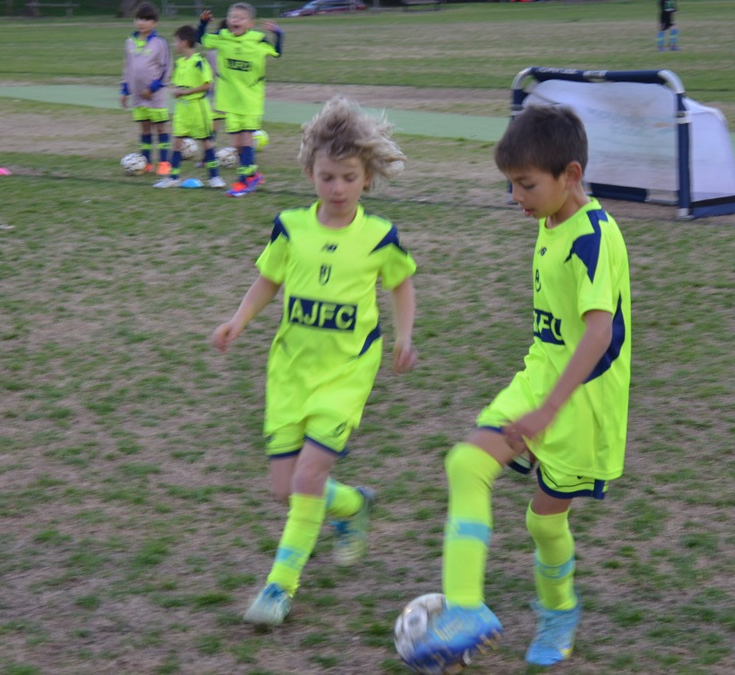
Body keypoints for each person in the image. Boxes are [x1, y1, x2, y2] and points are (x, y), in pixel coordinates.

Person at [403, 104, 632, 670]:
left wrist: (548, 412)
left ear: (570, 176)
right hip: (538, 378)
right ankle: (466, 609)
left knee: (544, 520)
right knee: (465, 464)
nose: (516, 198)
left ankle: (559, 611)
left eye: (526, 185)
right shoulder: (550, 221)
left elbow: (599, 334)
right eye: (510, 185)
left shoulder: (594, 238)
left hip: (581, 404)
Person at [210, 96, 418, 626]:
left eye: (349, 177)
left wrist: (403, 334)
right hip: (290, 372)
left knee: (306, 479)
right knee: (286, 489)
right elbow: (268, 280)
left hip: (347, 374)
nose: (338, 188)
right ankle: (352, 505)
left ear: (366, 178)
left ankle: (279, 588)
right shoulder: (290, 228)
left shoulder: (379, 236)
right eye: (327, 176)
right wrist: (239, 320)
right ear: (309, 173)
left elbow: (401, 284)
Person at [196, 4, 283, 197]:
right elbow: (202, 40)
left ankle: (243, 182)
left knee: (246, 140)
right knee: (236, 145)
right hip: (230, 101)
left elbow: (277, 52)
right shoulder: (223, 38)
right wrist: (202, 24)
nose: (235, 20)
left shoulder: (258, 41)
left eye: (241, 17)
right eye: (232, 16)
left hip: (250, 101)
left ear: (250, 24)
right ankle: (253, 174)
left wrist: (279, 34)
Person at [154, 25, 225, 189]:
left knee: (206, 142)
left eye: (176, 41)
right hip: (182, 109)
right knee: (177, 143)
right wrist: (176, 91)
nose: (174, 45)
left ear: (184, 42)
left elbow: (208, 84)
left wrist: (187, 92)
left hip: (198, 108)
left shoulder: (199, 62)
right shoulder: (180, 63)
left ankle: (215, 178)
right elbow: (178, 84)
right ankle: (173, 177)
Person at [120, 2, 172, 175]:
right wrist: (125, 90)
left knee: (160, 128)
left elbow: (166, 68)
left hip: (154, 96)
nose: (141, 23)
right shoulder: (129, 42)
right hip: (137, 96)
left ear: (154, 23)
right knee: (144, 128)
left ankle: (164, 163)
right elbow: (128, 67)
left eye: (146, 19)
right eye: (139, 19)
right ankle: (146, 162)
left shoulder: (159, 43)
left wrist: (153, 88)